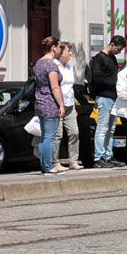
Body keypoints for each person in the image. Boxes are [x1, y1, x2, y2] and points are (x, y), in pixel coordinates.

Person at [90, 35, 126, 168]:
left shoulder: (112, 58)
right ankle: (99, 158)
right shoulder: (99, 59)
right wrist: (116, 83)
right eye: (118, 49)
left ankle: (108, 156)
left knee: (111, 129)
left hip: (113, 97)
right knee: (102, 128)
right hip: (104, 97)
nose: (119, 52)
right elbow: (97, 78)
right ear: (112, 45)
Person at [34, 36, 65, 175]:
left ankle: (43, 164)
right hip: (50, 103)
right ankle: (48, 165)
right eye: (59, 47)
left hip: (40, 102)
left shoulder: (39, 63)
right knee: (49, 136)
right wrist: (61, 105)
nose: (60, 50)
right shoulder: (51, 65)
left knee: (44, 136)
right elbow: (55, 87)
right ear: (53, 48)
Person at [53, 41, 83, 170]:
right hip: (57, 104)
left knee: (74, 132)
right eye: (67, 51)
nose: (70, 54)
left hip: (70, 104)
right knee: (58, 135)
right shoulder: (54, 66)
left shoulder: (70, 67)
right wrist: (60, 105)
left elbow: (71, 88)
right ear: (60, 52)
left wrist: (74, 106)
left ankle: (73, 161)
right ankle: (55, 162)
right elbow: (55, 86)